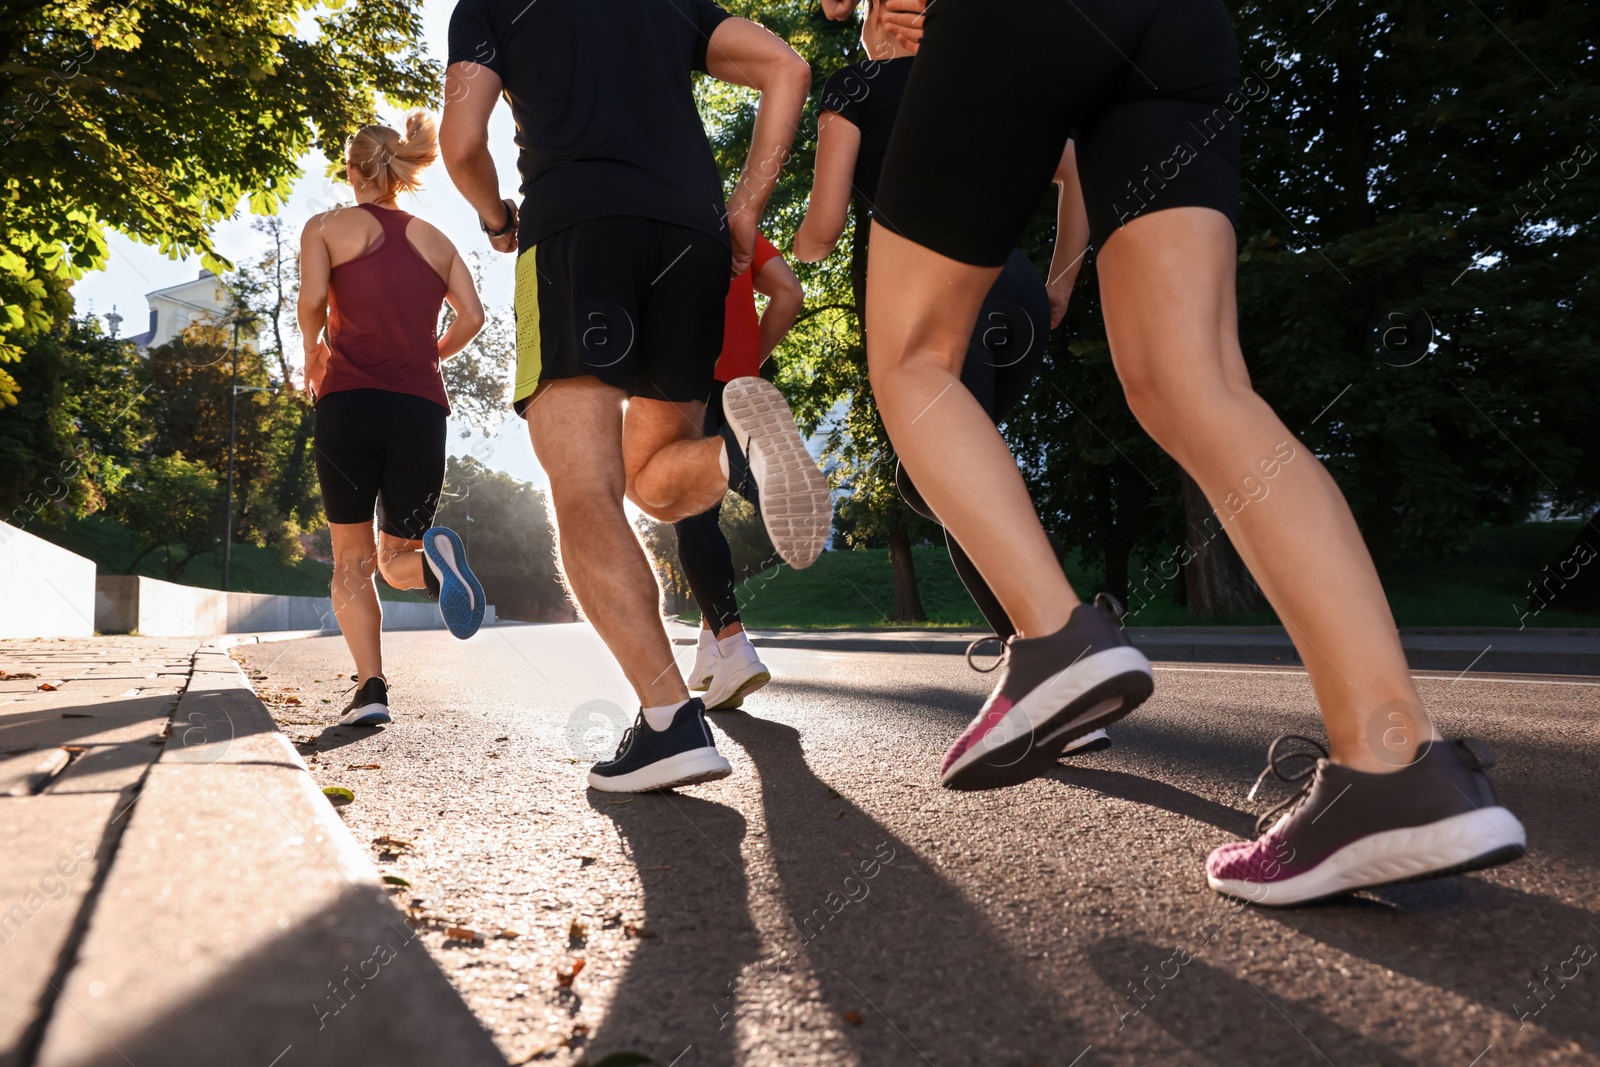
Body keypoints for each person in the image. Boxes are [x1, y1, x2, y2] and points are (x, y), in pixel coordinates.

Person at [862, 0, 1526, 904]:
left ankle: (1055, 636)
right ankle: (1395, 761)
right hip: (1180, 24)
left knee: (914, 357)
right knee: (1198, 383)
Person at [441, 0, 826, 793]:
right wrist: (746, 207)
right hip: (691, 236)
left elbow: (461, 141)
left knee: (585, 488)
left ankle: (669, 720)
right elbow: (788, 68)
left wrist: (494, 218)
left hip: (574, 233)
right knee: (655, 478)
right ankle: (737, 451)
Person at [801, 0, 1111, 756]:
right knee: (939, 478)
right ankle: (1049, 649)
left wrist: (763, 246)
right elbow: (1077, 173)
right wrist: (1062, 282)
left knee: (945, 473)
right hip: (1017, 296)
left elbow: (821, 230)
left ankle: (1058, 658)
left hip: (934, 304)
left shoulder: (852, 89)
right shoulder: (992, 78)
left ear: (883, 24)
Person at [299, 112, 489, 727]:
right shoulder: (435, 239)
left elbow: (311, 303)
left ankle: (372, 689)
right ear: (401, 172)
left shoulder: (325, 227)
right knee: (396, 560)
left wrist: (313, 353)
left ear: (353, 170)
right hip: (419, 410)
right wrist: (424, 356)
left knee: (352, 562)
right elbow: (473, 318)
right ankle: (434, 564)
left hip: (349, 403)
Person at [679, 232, 806, 712]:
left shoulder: (652, 212)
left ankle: (734, 648)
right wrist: (749, 359)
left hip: (683, 378)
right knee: (714, 500)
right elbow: (789, 292)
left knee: (692, 511)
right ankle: (709, 651)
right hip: (741, 382)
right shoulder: (735, 224)